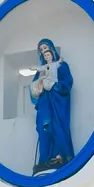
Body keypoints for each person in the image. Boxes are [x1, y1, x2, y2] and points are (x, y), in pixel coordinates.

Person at [29, 38, 74, 173]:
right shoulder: (41, 70)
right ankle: (45, 159)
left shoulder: (62, 65)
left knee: (57, 126)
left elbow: (67, 83)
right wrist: (40, 83)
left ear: (52, 50)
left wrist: (55, 86)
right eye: (42, 51)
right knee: (43, 128)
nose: (44, 52)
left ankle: (61, 156)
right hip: (44, 103)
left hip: (57, 103)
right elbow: (34, 91)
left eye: (46, 49)